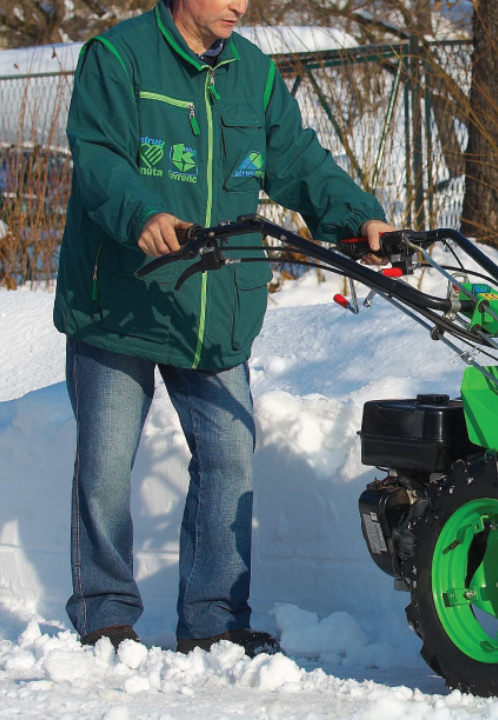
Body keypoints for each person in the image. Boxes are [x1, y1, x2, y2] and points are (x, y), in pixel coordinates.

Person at [53, 0, 393, 655]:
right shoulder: (119, 59)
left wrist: (359, 217)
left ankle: (213, 620)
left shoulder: (254, 76)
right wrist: (143, 214)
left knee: (229, 458)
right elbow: (99, 162)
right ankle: (105, 612)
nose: (240, 3)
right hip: (120, 301)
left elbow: (298, 162)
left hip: (214, 305)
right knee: (105, 464)